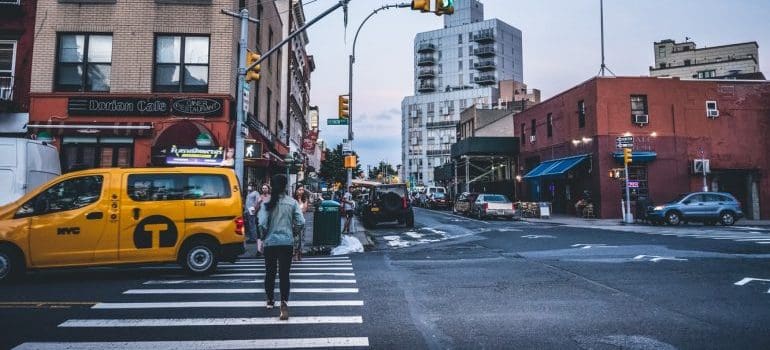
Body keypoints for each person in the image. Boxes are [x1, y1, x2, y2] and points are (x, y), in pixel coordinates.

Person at [257, 174, 304, 321]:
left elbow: (261, 224)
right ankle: (284, 303)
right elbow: (301, 222)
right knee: (284, 274)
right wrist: (293, 232)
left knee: (270, 273)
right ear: (285, 186)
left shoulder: (267, 203)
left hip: (271, 243)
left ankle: (270, 300)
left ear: (272, 186)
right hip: (286, 243)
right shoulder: (292, 202)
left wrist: (264, 238)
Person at [292, 184, 310, 261]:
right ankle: (295, 253)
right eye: (299, 189)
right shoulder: (293, 200)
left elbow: (304, 210)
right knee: (295, 238)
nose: (301, 191)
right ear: (296, 190)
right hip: (294, 222)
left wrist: (302, 198)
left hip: (302, 221)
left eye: (302, 190)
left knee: (302, 238)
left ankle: (299, 253)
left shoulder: (304, 199)